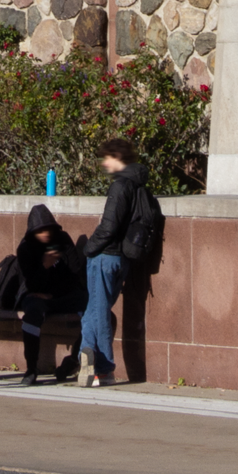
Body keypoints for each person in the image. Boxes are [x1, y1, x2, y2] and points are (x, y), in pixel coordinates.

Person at [77, 136, 146, 387]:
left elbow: (109, 227)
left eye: (108, 157)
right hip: (123, 259)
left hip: (105, 257)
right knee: (93, 312)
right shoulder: (139, 184)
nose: (105, 163)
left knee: (98, 314)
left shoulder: (120, 186)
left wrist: (89, 249)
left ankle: (104, 368)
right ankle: (86, 359)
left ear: (118, 158)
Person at [13, 202, 86, 384]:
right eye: (40, 231)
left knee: (92, 307)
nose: (45, 234)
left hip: (61, 296)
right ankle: (31, 368)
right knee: (32, 314)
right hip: (36, 296)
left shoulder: (63, 240)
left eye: (48, 229)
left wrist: (53, 295)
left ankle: (74, 360)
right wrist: (44, 265)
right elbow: (30, 283)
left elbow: (74, 274)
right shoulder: (26, 248)